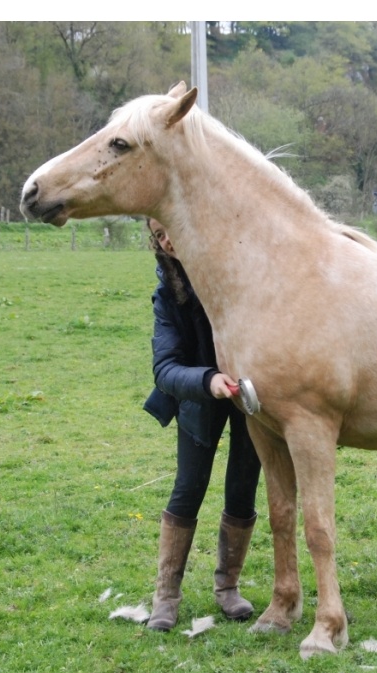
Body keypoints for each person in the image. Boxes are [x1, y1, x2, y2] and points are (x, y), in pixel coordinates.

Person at [141, 218, 262, 631]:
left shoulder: (238, 273)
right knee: (188, 489)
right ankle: (166, 597)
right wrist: (208, 381)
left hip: (250, 396)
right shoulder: (167, 296)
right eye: (159, 234)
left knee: (242, 490)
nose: (168, 238)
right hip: (199, 398)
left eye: (170, 226)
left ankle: (228, 589)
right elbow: (164, 368)